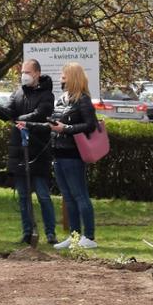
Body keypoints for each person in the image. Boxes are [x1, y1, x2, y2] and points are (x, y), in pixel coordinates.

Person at [0, 59, 56, 245]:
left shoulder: (47, 95)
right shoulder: (18, 93)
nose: (24, 75)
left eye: (27, 72)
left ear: (37, 73)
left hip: (38, 152)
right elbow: (7, 114)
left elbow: (40, 114)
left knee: (43, 195)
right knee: (23, 196)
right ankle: (27, 232)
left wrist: (19, 119)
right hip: (19, 152)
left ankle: (50, 233)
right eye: (22, 72)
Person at [47, 63, 100, 249]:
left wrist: (66, 129)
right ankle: (75, 236)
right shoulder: (62, 99)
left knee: (79, 195)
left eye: (64, 76)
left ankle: (89, 236)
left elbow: (91, 125)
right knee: (67, 197)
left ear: (73, 77)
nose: (61, 79)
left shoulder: (83, 100)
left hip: (73, 154)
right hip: (58, 153)